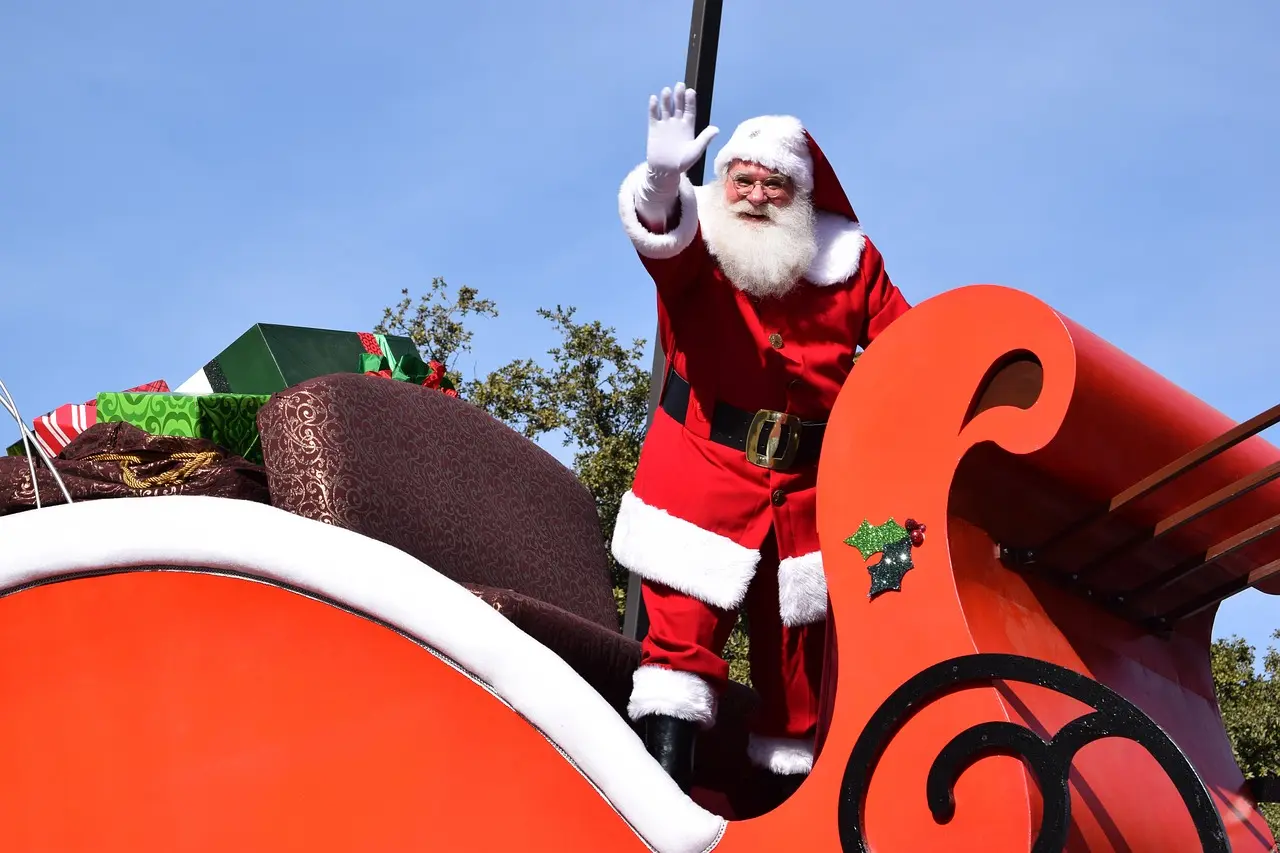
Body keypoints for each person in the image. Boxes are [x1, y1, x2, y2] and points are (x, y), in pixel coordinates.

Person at [612, 81, 913, 791]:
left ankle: (785, 823)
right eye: (739, 178)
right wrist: (660, 181)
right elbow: (664, 238)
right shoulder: (703, 248)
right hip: (699, 476)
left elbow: (912, 353)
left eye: (771, 183)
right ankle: (657, 815)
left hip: (809, 499)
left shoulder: (851, 266)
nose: (751, 193)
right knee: (676, 653)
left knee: (799, 683)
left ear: (800, 196)